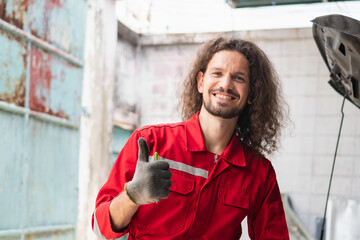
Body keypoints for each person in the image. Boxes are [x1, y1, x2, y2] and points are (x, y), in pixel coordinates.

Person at [92, 37, 290, 239]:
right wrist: (132, 197)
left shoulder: (259, 173)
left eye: (238, 78)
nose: (225, 84)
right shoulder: (150, 141)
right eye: (217, 73)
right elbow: (101, 228)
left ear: (251, 94)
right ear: (201, 82)